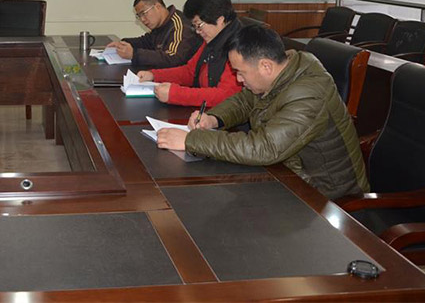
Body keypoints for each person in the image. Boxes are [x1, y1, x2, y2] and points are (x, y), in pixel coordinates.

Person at [157, 25, 370, 200]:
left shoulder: (309, 95)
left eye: (240, 72)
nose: (238, 79)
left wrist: (191, 140)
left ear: (265, 66)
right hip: (285, 171)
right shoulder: (282, 71)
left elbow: (264, 148)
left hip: (324, 194)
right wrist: (213, 119)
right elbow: (244, 100)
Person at [137, 0, 242, 107]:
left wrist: (175, 94)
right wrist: (154, 75)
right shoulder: (213, 38)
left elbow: (224, 96)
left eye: (199, 25)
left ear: (220, 20)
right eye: (195, 26)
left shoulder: (238, 47)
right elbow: (190, 71)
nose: (197, 31)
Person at [106, 0, 201, 70]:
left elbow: (173, 58)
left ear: (157, 7)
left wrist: (134, 54)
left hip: (180, 81)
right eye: (139, 16)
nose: (142, 20)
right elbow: (146, 42)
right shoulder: (161, 24)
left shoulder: (180, 26)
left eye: (144, 13)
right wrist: (122, 43)